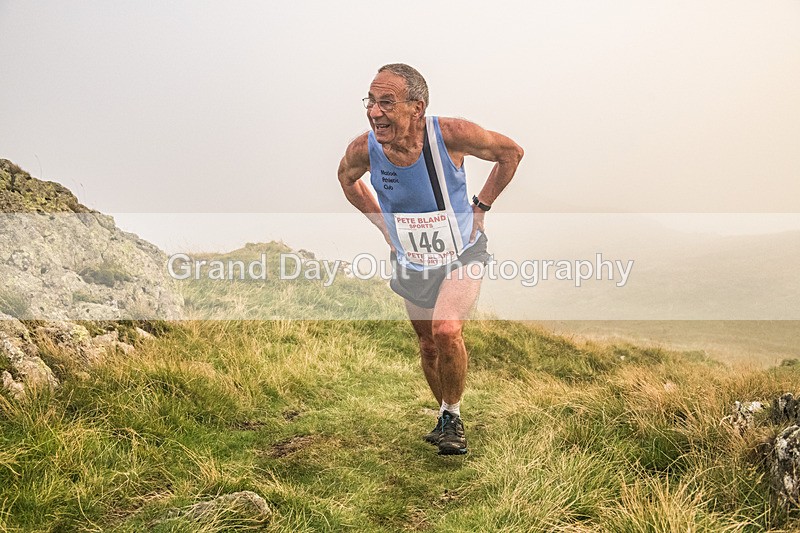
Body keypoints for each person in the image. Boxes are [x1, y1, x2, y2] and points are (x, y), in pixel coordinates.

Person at [338, 63, 523, 455]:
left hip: (462, 251)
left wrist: (482, 205)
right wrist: (383, 225)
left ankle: (453, 417)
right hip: (411, 257)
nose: (375, 112)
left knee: (445, 330)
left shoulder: (450, 134)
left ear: (416, 107)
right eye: (370, 102)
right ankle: (445, 415)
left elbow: (511, 153)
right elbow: (346, 180)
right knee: (427, 345)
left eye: (386, 102)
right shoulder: (364, 149)